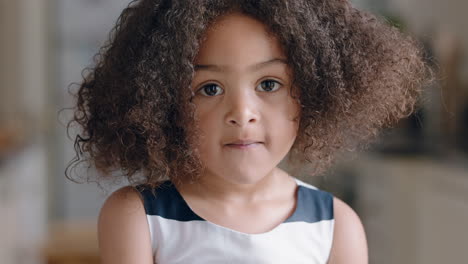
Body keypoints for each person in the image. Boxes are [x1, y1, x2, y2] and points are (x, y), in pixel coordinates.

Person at [65, 0, 433, 263]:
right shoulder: (140, 217)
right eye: (209, 88)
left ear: (313, 93)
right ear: (163, 105)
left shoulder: (335, 225)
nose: (242, 114)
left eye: (269, 84)